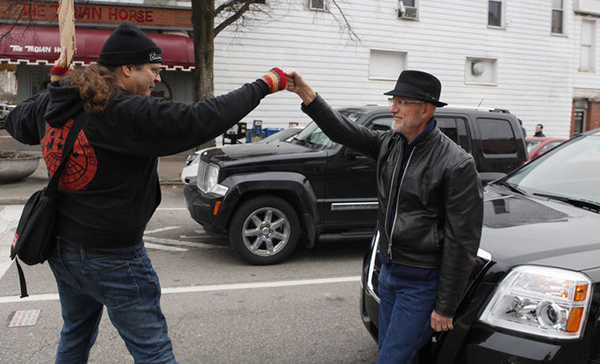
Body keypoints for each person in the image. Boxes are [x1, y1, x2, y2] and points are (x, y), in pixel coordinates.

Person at [6, 21, 288, 364]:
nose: (158, 79)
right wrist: (266, 83)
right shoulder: (123, 111)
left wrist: (53, 86)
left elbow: (17, 121)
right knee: (153, 351)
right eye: (153, 70)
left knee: (75, 334)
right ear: (127, 69)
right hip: (112, 255)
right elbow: (201, 119)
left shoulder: (56, 101)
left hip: (62, 248)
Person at [285, 69, 483, 364]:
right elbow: (343, 130)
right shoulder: (390, 145)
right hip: (389, 275)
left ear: (426, 109)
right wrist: (306, 94)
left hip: (421, 283)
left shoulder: (455, 163)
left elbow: (462, 242)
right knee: (397, 354)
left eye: (402, 102)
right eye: (394, 101)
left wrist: (446, 306)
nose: (393, 109)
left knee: (392, 359)